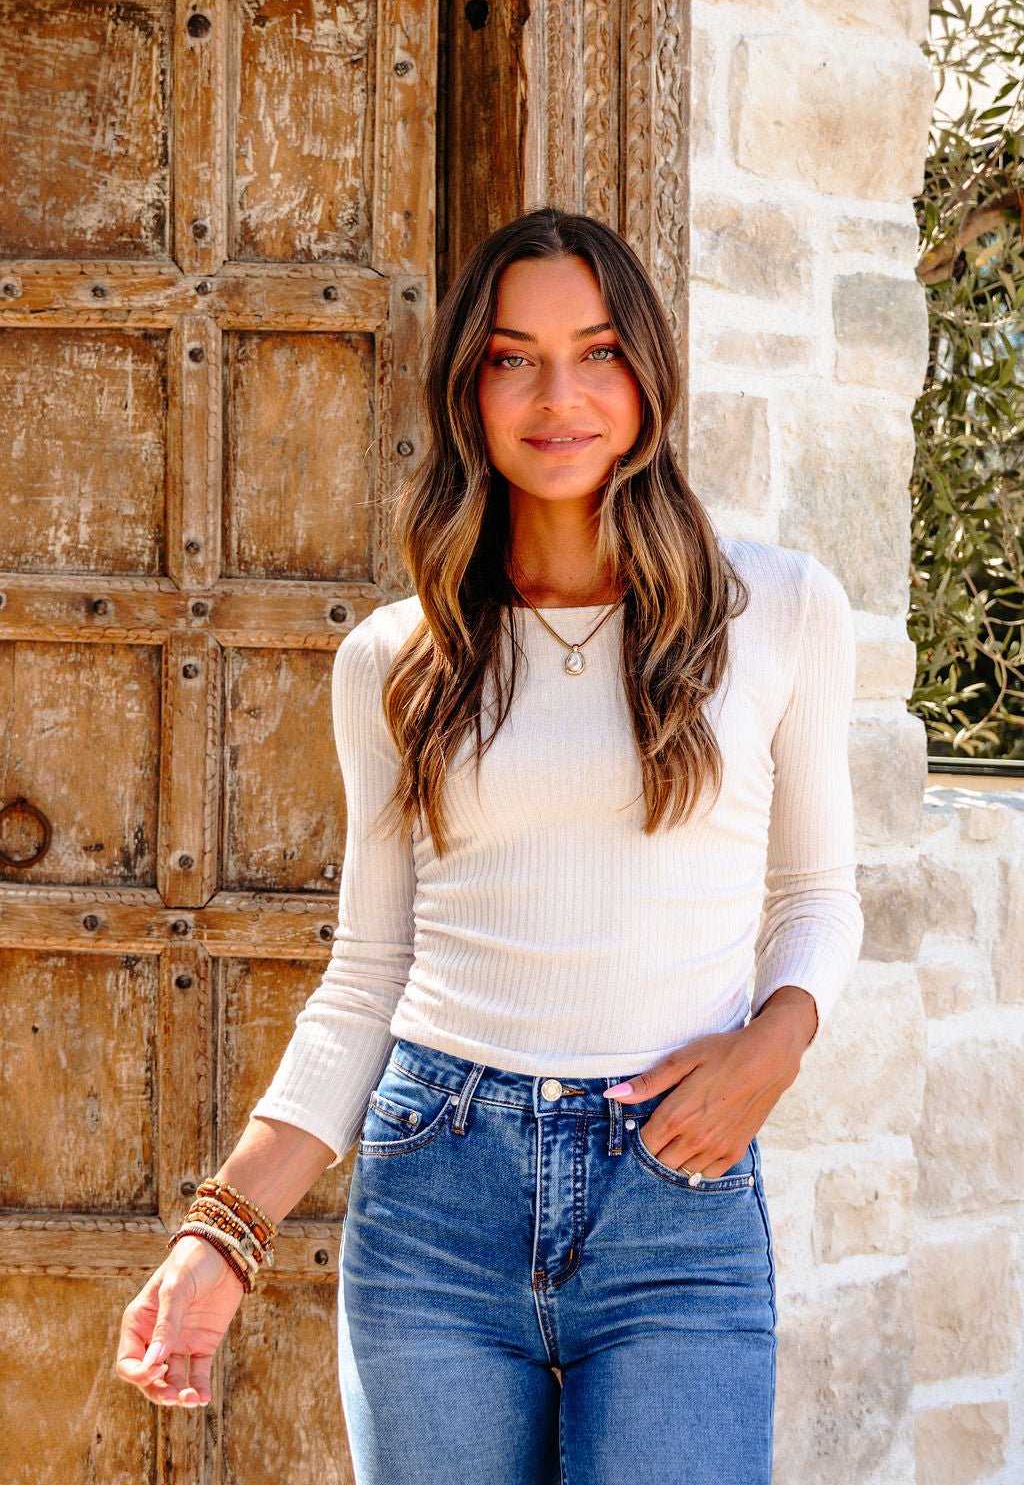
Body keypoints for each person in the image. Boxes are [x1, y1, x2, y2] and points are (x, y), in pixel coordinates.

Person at [116, 207, 863, 1483]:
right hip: (437, 1199)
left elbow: (815, 896)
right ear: (468, 386)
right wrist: (219, 1234)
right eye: (514, 356)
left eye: (598, 352)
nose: (557, 395)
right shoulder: (396, 660)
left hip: (673, 1204)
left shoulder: (775, 608)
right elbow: (367, 976)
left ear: (649, 375)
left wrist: (772, 1048)